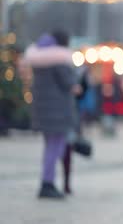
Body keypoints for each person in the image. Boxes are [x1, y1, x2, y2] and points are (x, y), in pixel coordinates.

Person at [23, 31, 78, 199]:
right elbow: (71, 84)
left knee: (49, 148)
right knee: (55, 149)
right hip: (58, 113)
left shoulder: (39, 60)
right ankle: (47, 184)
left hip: (43, 111)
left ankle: (47, 182)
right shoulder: (59, 60)